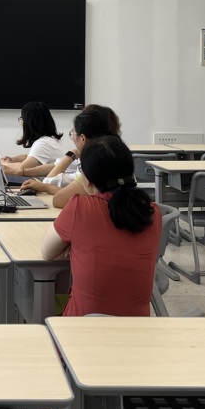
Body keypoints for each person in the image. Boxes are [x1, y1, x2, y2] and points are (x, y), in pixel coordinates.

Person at [40, 135, 160, 317]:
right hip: (138, 328)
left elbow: (47, 252)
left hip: (81, 326)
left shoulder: (80, 207)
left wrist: (74, 247)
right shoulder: (153, 212)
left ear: (87, 180)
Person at [19, 106, 122, 207]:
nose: (72, 136)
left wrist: (45, 187)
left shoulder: (95, 163)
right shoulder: (116, 154)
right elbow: (56, 168)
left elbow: (59, 197)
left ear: (83, 138)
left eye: (73, 132)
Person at [0, 101, 63, 179]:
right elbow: (31, 157)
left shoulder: (43, 143)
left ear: (29, 122)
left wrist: (4, 163)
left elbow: (22, 168)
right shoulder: (51, 139)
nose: (21, 122)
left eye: (21, 119)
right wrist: (13, 159)